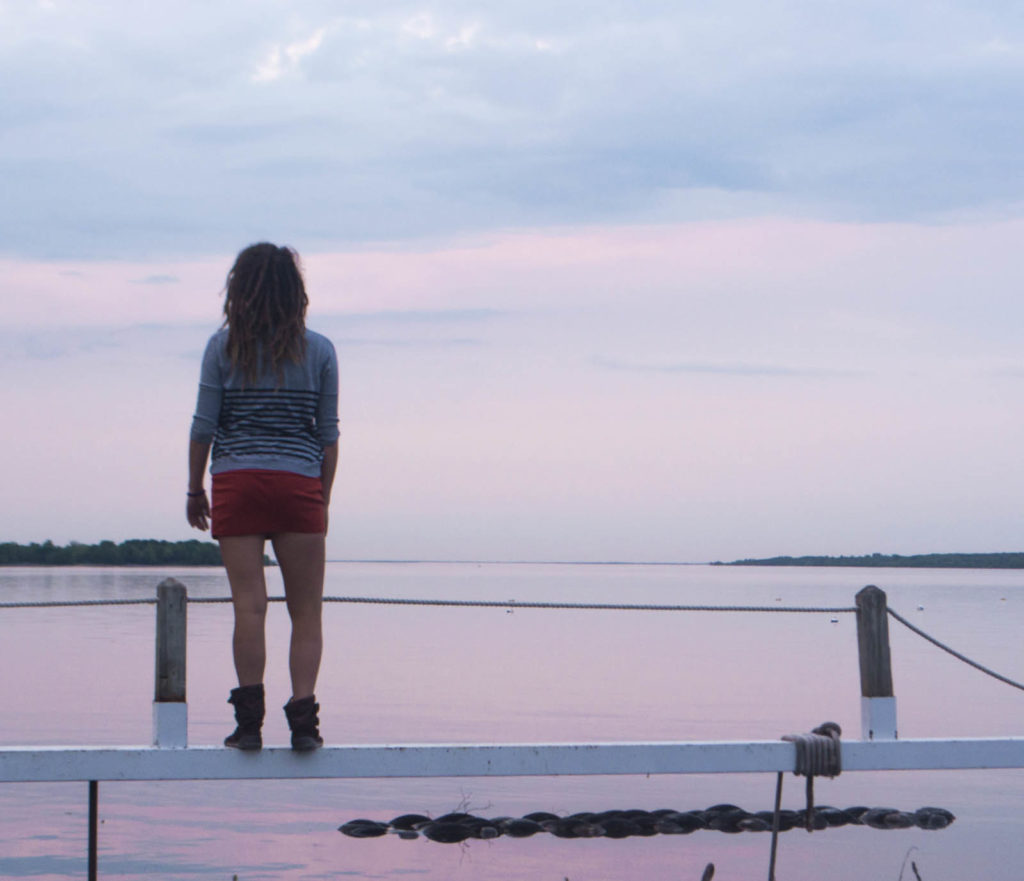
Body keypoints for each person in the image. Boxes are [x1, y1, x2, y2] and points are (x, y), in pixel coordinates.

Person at [186, 243, 339, 752]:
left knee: (249, 609)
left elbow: (204, 427)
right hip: (298, 485)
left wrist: (194, 488)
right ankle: (304, 724)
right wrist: (322, 501)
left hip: (237, 481)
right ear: (295, 293)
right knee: (307, 612)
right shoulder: (320, 351)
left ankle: (249, 725)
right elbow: (328, 437)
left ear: (240, 290)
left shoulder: (221, 348)